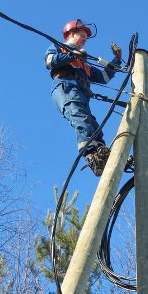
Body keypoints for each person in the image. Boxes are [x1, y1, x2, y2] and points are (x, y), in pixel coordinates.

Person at [44, 19, 122, 176]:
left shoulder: (83, 63)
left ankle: (102, 154)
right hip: (65, 87)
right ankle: (92, 155)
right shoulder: (60, 48)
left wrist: (117, 60)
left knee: (94, 125)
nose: (85, 38)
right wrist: (71, 55)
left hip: (80, 94)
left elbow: (104, 77)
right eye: (82, 34)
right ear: (71, 34)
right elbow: (50, 61)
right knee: (81, 118)